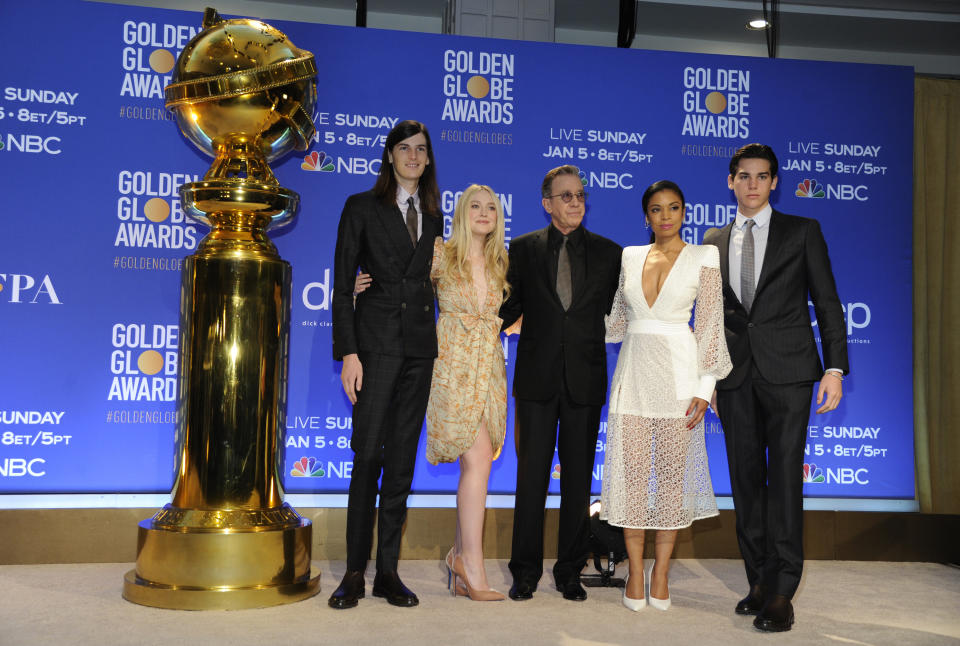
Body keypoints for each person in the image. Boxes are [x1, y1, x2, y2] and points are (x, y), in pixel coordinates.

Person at [704, 143, 848, 632]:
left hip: (790, 374)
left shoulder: (802, 231)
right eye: (743, 176)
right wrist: (712, 382)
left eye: (761, 177)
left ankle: (783, 590)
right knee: (745, 483)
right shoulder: (713, 239)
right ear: (730, 182)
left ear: (774, 183)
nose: (751, 184)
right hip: (736, 376)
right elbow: (714, 319)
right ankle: (760, 580)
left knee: (784, 481)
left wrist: (835, 369)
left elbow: (828, 302)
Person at [354, 184, 511, 601]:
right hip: (449, 365)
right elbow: (399, 281)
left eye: (491, 207)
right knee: (476, 458)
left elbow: (504, 311)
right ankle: (471, 567)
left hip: (489, 366)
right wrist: (359, 286)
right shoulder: (441, 254)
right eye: (474, 206)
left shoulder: (501, 260)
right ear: (461, 214)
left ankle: (460, 556)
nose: (483, 213)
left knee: (478, 461)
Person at [601, 180, 732, 612]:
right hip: (633, 375)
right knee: (633, 480)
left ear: (684, 212)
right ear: (646, 217)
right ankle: (635, 572)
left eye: (674, 207)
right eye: (656, 209)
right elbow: (615, 322)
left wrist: (705, 386)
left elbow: (711, 323)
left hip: (680, 377)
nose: (666, 216)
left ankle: (662, 571)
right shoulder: (629, 256)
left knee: (672, 482)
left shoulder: (703, 256)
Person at [329, 120, 442, 610]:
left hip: (420, 351)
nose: (413, 157)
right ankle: (355, 571)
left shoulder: (437, 215)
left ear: (428, 158)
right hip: (374, 349)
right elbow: (341, 285)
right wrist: (349, 354)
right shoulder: (361, 207)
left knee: (399, 465)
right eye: (405, 149)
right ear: (389, 155)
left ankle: (388, 573)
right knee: (367, 460)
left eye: (421, 150)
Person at [499, 165, 622, 602]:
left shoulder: (610, 254)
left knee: (576, 482)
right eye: (565, 196)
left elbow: (626, 312)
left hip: (585, 382)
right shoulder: (524, 249)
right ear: (547, 203)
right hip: (535, 381)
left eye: (580, 195)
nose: (575, 202)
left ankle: (570, 569)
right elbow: (505, 306)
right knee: (530, 480)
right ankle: (525, 570)